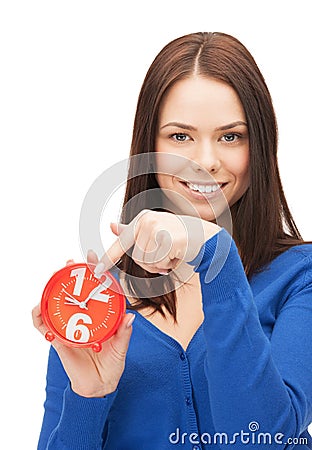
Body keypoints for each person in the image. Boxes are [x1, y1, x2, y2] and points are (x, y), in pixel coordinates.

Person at [32, 32, 312, 449]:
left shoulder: (299, 278)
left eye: (231, 136)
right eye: (180, 137)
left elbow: (265, 439)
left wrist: (216, 253)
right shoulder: (94, 302)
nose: (205, 161)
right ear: (150, 145)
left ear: (262, 144)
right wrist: (88, 398)